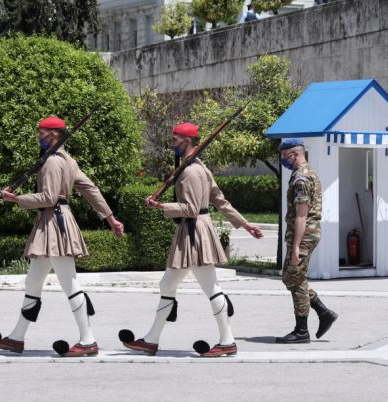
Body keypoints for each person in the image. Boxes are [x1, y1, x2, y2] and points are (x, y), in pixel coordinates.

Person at [119, 122, 263, 357]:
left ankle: (227, 341)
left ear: (186, 141)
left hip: (195, 232)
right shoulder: (200, 168)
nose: (172, 144)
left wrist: (161, 206)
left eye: (175, 140)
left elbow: (191, 208)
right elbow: (221, 201)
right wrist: (245, 224)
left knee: (211, 288)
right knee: (168, 285)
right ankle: (151, 339)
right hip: (192, 231)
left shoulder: (189, 171)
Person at [0, 116, 125, 357]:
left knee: (70, 283)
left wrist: (18, 199)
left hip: (55, 222)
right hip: (51, 222)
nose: (38, 136)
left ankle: (88, 340)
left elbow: (49, 198)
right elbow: (91, 189)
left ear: (52, 135)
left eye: (41, 133)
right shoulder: (68, 160)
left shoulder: (52, 162)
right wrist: (110, 217)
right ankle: (17, 338)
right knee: (33, 282)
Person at [275, 139, 339, 344]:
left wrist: (295, 246)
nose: (283, 160)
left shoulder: (301, 178)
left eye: (284, 156)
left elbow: (301, 215)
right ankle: (323, 312)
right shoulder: (307, 172)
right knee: (291, 277)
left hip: (303, 236)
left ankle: (302, 330)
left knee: (294, 280)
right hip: (306, 235)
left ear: (294, 154)